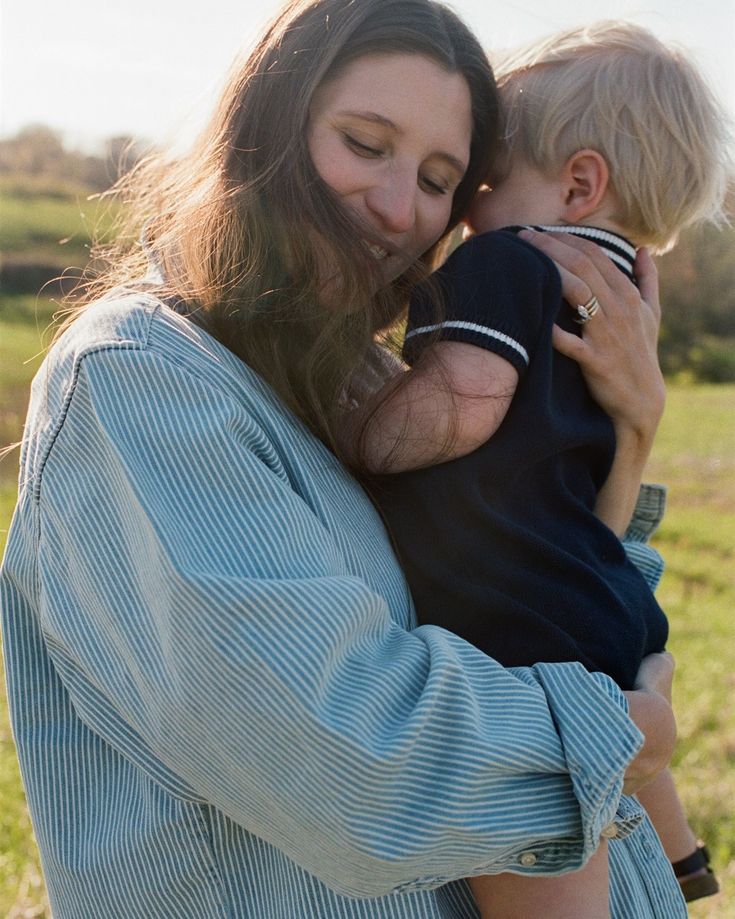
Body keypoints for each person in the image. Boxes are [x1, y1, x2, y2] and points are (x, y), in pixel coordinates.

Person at [0, 2, 684, 917]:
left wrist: (631, 432)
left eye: (441, 178)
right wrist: (612, 730)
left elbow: (543, 579)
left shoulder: (359, 375)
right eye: (365, 143)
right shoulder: (141, 379)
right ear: (265, 129)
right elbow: (357, 768)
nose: (402, 209)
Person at [353, 21, 730, 917]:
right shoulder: (625, 304)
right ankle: (681, 853)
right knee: (618, 706)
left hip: (518, 615)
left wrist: (355, 426)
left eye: (479, 181)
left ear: (578, 181)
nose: (461, 210)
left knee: (537, 825)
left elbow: (467, 396)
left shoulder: (505, 262)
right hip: (592, 585)